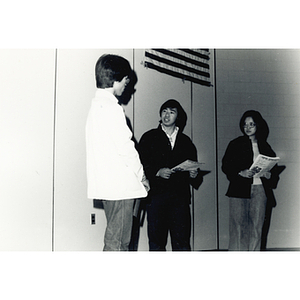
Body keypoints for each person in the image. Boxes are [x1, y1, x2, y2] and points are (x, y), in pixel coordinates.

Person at [85, 54, 149, 251]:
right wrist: (142, 175)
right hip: (121, 187)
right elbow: (126, 148)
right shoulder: (112, 108)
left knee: (115, 239)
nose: (127, 87)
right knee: (119, 243)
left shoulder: (96, 107)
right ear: (115, 81)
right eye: (125, 81)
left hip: (108, 186)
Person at [138, 99, 203, 251]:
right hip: (156, 197)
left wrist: (194, 174)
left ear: (178, 117)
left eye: (171, 112)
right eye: (164, 111)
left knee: (182, 241)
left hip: (179, 198)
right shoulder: (149, 137)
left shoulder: (186, 141)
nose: (167, 115)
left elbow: (193, 169)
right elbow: (139, 164)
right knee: (156, 241)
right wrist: (157, 171)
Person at [221, 110, 279, 251]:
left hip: (260, 190)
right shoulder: (235, 144)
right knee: (238, 227)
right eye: (245, 124)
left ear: (258, 126)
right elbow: (226, 166)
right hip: (238, 190)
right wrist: (240, 172)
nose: (248, 127)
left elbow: (274, 170)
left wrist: (269, 175)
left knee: (256, 228)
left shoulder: (265, 146)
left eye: (251, 124)